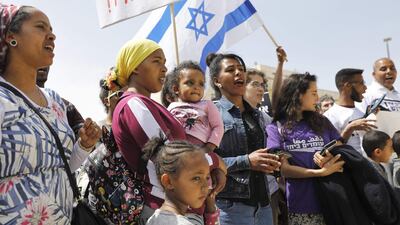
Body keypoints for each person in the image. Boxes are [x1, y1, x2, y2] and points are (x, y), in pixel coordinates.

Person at [0, 4, 101, 224]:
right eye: (40, 27)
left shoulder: (55, 100)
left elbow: (62, 168)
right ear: (11, 37)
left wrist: (83, 146)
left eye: (52, 29)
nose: (52, 35)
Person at [111, 39, 225, 224]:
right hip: (162, 205)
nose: (164, 68)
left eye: (164, 62)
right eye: (156, 61)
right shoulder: (133, 104)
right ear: (135, 67)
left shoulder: (148, 103)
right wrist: (215, 161)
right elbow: (170, 156)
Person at [207, 52, 281, 225]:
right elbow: (203, 161)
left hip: (263, 205)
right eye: (231, 70)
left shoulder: (258, 115)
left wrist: (274, 160)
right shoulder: (211, 112)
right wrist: (247, 161)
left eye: (241, 69)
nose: (238, 73)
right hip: (230, 208)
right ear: (217, 81)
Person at [266, 73, 345, 225]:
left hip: (334, 200)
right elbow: (283, 169)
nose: (317, 98)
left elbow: (340, 147)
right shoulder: (275, 127)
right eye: (314, 93)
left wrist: (328, 157)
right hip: (301, 206)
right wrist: (319, 173)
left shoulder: (322, 121)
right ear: (298, 95)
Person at [243, 47, 287, 225]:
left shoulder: (266, 118)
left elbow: (277, 99)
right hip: (243, 195)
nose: (260, 89)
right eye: (254, 84)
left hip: (270, 191)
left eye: (262, 85)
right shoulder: (227, 116)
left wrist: (280, 63)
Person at [143, 137, 217, 225]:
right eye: (196, 178)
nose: (206, 186)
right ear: (168, 181)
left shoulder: (153, 219)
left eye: (207, 178)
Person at [166, 60, 224, 152]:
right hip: (178, 151)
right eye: (190, 82)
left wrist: (210, 146)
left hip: (201, 149)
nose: (197, 87)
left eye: (201, 84)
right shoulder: (171, 107)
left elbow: (218, 126)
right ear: (176, 89)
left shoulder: (207, 105)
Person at [324, 68, 376, 156]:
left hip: (370, 166)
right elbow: (329, 150)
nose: (365, 87)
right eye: (361, 83)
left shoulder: (362, 112)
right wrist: (350, 128)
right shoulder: (329, 116)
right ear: (348, 85)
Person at [36, 66, 85, 137]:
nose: (43, 63)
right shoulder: (14, 104)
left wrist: (87, 139)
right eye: (35, 55)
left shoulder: (65, 107)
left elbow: (84, 139)